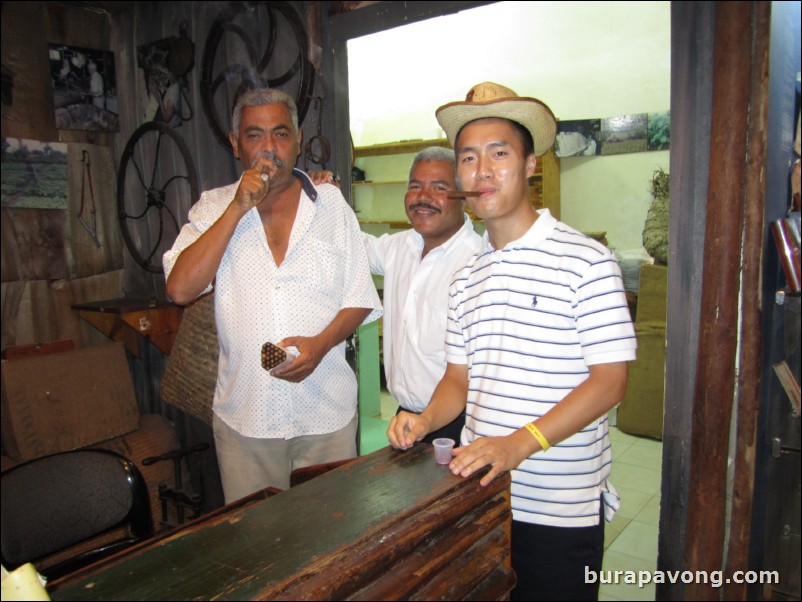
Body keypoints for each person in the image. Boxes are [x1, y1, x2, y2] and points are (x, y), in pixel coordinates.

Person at [387, 82, 637, 601]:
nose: (482, 171)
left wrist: (518, 444)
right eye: (469, 158)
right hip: (482, 491)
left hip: (558, 505)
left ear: (530, 165)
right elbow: (459, 377)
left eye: (499, 153)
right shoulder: (468, 276)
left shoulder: (585, 261)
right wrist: (426, 419)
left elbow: (610, 381)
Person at [164, 88, 382, 503]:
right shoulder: (213, 207)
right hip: (246, 419)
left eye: (280, 134)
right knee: (258, 550)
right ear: (234, 143)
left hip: (327, 416)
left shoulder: (332, 206)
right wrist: (237, 208)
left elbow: (359, 297)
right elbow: (180, 289)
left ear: (298, 139)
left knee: (329, 544)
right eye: (254, 135)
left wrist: (320, 346)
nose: (269, 148)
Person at [362, 147, 482, 443]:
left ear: (463, 197)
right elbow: (350, 245)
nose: (423, 197)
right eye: (415, 186)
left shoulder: (479, 263)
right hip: (406, 417)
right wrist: (322, 195)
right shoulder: (400, 248)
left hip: (462, 425)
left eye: (439, 188)